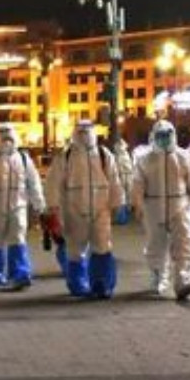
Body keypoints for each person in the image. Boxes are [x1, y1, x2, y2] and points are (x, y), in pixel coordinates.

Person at [46, 119, 124, 298]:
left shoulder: (104, 155)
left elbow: (114, 180)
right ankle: (78, 283)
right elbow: (53, 183)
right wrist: (53, 208)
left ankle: (101, 284)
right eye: (80, 132)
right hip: (74, 212)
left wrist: (116, 203)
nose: (84, 136)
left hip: (100, 210)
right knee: (75, 250)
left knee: (102, 247)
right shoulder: (66, 157)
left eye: (87, 131)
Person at [131, 119, 190, 301]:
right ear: (154, 136)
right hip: (153, 207)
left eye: (167, 135)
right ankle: (158, 276)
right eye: (160, 136)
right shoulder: (145, 159)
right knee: (155, 244)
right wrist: (137, 204)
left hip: (180, 205)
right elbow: (137, 183)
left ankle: (183, 279)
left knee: (184, 243)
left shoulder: (184, 157)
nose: (164, 139)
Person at [0, 123, 46, 289]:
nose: (7, 141)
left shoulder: (24, 159)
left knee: (18, 237)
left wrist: (38, 203)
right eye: (3, 137)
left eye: (10, 137)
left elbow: (33, 182)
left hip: (18, 206)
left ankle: (20, 273)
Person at [112, 137, 136, 226]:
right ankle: (124, 217)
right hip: (126, 177)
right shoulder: (125, 155)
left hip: (123, 177)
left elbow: (117, 168)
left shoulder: (118, 156)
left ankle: (123, 217)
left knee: (122, 198)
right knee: (124, 198)